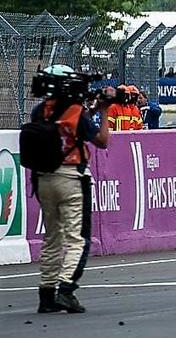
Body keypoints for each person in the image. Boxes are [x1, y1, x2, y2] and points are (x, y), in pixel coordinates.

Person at [26, 66, 111, 314]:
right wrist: (104, 112)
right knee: (77, 238)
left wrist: (91, 109)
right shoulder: (76, 111)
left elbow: (64, 126)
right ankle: (66, 289)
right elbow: (101, 140)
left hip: (43, 178)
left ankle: (46, 294)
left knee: (52, 237)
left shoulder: (39, 111)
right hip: (71, 177)